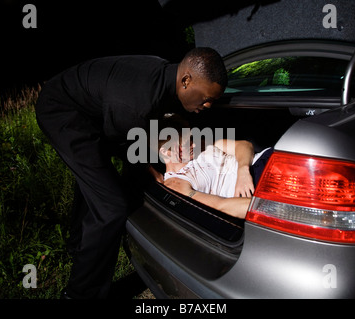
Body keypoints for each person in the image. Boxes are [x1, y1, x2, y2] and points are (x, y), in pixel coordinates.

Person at [35, 47, 228, 299]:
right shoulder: (136, 101)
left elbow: (143, 128)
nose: (209, 104)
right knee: (112, 206)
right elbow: (126, 145)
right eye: (205, 98)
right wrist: (152, 170)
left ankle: (77, 244)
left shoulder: (164, 77)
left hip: (93, 110)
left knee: (96, 181)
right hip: (62, 112)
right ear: (186, 81)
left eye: (213, 99)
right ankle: (80, 293)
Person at [157, 114, 272, 219]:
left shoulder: (201, 145)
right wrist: (273, 208)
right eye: (188, 143)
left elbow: (243, 145)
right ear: (166, 151)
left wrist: (243, 171)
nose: (195, 144)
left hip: (264, 160)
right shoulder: (177, 183)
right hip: (258, 187)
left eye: (191, 139)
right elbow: (221, 205)